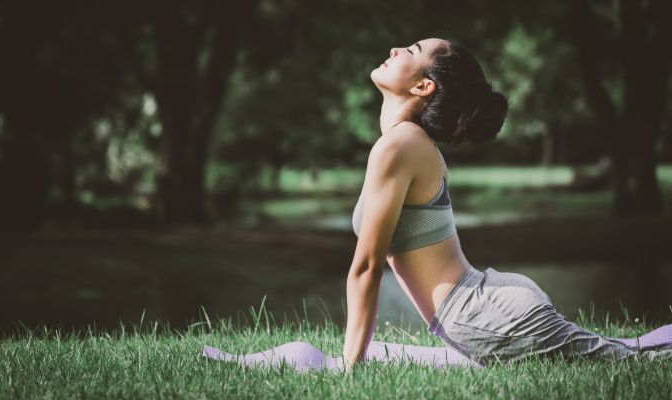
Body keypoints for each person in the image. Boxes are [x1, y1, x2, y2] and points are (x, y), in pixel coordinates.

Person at [203, 38, 672, 373]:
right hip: (477, 311)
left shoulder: (401, 145)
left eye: (409, 52)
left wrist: (351, 369)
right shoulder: (408, 143)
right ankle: (235, 362)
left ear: (424, 86)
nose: (394, 50)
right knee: (627, 350)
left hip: (481, 316)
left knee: (634, 359)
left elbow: (365, 267)